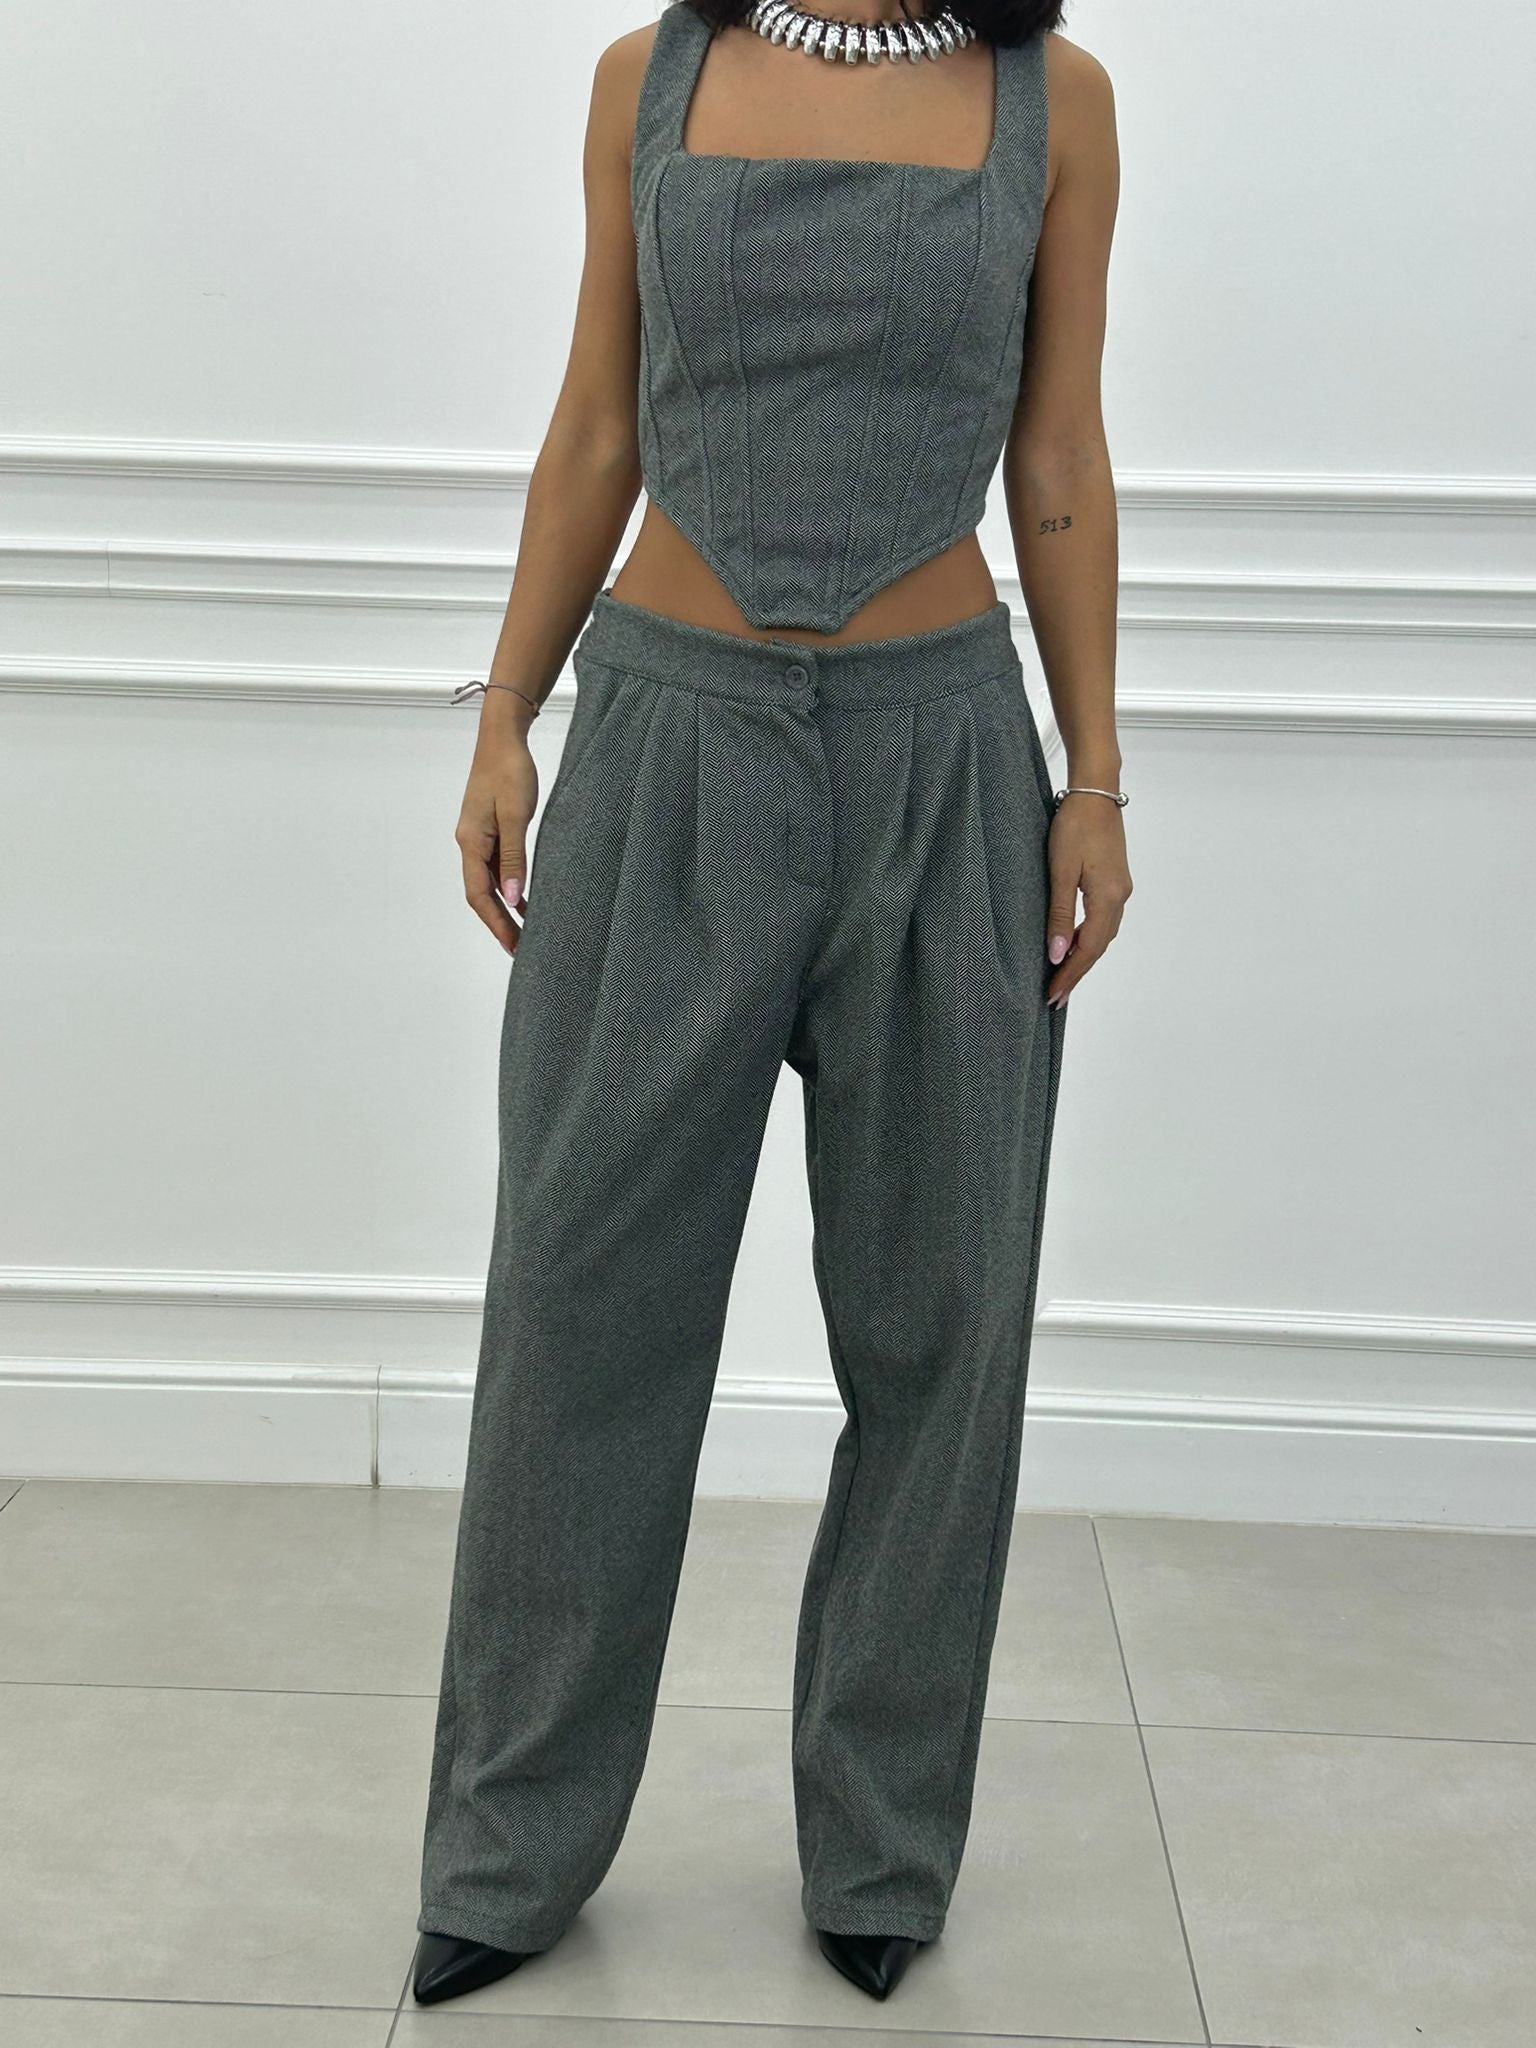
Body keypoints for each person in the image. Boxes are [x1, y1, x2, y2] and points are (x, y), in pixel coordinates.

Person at [413, 0, 1128, 2008]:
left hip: (945, 762)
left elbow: (1058, 455)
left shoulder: (1053, 100)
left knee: (940, 1314)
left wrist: (1093, 777)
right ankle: (509, 1849)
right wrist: (504, 711)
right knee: (578, 1305)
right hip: (667, 741)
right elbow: (598, 422)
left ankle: (882, 1845)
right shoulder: (645, 76)